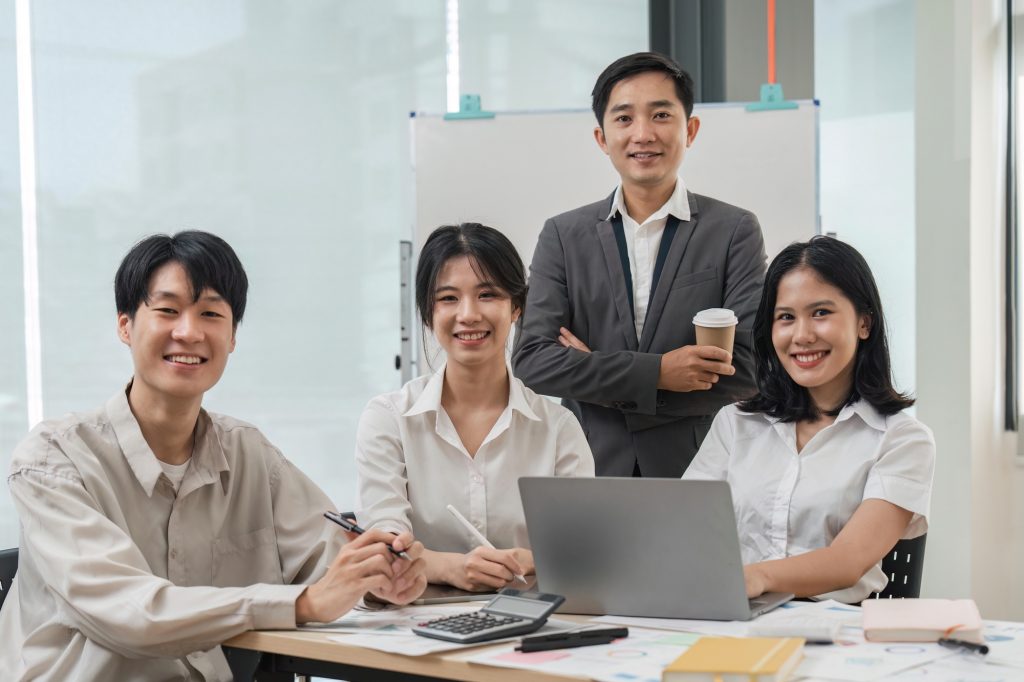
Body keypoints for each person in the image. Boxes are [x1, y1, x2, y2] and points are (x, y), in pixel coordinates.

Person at [0, 231, 427, 681]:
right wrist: (301, 603)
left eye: (210, 313)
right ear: (125, 325)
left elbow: (329, 558)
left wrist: (382, 577)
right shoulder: (53, 460)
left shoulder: (247, 453)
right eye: (167, 310)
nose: (189, 331)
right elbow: (128, 613)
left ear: (232, 336)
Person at [512, 51, 767, 478]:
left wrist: (596, 373)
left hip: (699, 469)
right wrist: (660, 374)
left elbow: (750, 367)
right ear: (601, 137)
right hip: (586, 466)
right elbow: (534, 360)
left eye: (661, 115)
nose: (643, 134)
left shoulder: (734, 230)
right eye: (625, 118)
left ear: (691, 129)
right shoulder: (563, 235)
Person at [684, 236, 934, 603]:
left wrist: (755, 578)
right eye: (786, 317)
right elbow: (685, 530)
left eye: (820, 313)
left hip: (840, 634)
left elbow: (847, 562)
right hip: (734, 621)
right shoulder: (735, 423)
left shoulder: (902, 440)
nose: (802, 336)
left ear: (864, 323)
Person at [356, 223, 595, 592]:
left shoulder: (559, 428)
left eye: (488, 295)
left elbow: (583, 550)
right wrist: (453, 567)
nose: (468, 314)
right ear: (427, 312)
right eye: (448, 298)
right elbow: (385, 546)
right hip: (414, 629)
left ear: (516, 307)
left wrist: (522, 561)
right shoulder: (388, 419)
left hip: (532, 626)